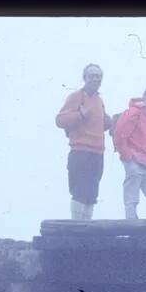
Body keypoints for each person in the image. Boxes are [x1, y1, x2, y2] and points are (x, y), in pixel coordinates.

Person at [56, 64, 112, 220]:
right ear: (84, 78)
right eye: (92, 75)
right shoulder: (76, 97)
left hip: (98, 153)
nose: (96, 79)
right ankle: (76, 228)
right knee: (79, 193)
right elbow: (60, 120)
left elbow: (100, 123)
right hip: (80, 151)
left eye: (99, 76)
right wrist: (79, 115)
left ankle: (86, 229)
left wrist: (108, 122)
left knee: (91, 195)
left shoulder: (99, 100)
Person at [113, 84, 146, 219]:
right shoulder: (133, 112)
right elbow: (119, 135)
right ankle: (131, 225)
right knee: (132, 199)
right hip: (134, 160)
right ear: (145, 97)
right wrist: (128, 156)